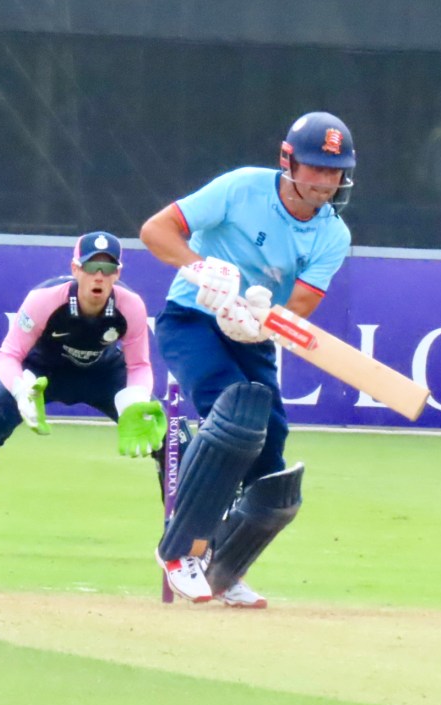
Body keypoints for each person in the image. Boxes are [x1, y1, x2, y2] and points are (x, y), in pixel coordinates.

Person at [139, 111, 356, 609]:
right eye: (316, 168)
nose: (326, 181)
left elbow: (300, 304)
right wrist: (201, 271)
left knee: (271, 454)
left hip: (253, 335)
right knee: (234, 416)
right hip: (192, 319)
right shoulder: (241, 188)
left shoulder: (333, 235)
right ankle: (180, 551)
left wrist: (261, 322)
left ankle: (225, 566)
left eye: (335, 171)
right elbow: (156, 230)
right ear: (288, 161)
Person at [0, 232, 166, 552]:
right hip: (42, 373)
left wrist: (135, 402)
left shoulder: (131, 305)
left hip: (103, 373)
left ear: (118, 274)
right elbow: (9, 356)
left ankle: (188, 544)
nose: (99, 276)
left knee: (172, 436)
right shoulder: (44, 299)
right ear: (76, 269)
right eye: (91, 267)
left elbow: (139, 365)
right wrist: (20, 390)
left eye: (108, 269)